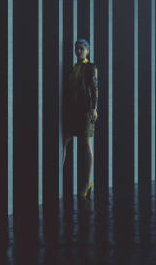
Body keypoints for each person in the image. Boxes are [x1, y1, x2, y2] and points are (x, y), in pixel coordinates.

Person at [63, 38, 98, 200]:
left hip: (85, 111)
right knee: (65, 140)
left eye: (81, 48)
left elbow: (94, 88)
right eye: (76, 48)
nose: (78, 51)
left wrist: (93, 108)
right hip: (72, 110)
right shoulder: (73, 68)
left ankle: (86, 183)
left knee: (85, 145)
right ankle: (60, 178)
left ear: (87, 51)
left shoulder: (90, 67)